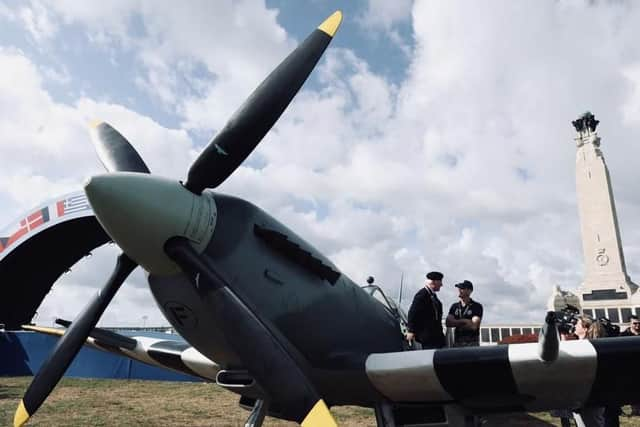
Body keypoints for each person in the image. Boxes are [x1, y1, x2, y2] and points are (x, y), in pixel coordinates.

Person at [572, 315, 605, 427]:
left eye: (577, 324)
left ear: (585, 329)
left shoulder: (584, 347)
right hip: (589, 393)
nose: (574, 326)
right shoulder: (591, 345)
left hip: (587, 394)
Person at [406, 271, 445, 349]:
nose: (441, 284)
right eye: (440, 281)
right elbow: (413, 313)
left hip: (435, 338)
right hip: (428, 339)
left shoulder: (432, 296)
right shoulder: (422, 295)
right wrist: (411, 330)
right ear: (433, 282)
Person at [445, 280, 483, 347]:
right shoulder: (454, 306)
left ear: (469, 291)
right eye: (459, 288)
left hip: (472, 344)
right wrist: (465, 321)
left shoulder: (476, 306)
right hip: (457, 343)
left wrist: (456, 322)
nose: (459, 290)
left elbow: (473, 326)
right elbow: (448, 323)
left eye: (462, 288)